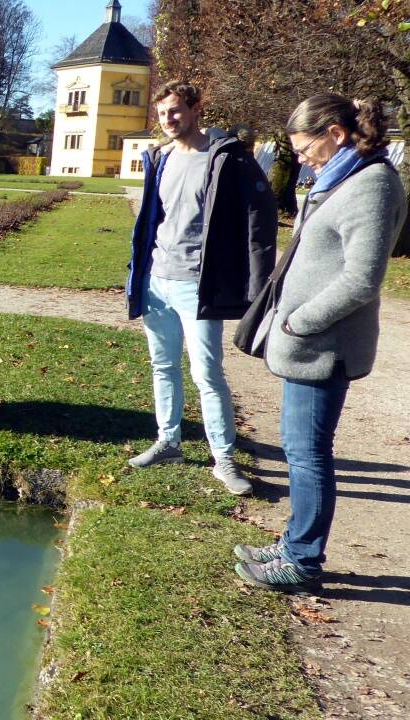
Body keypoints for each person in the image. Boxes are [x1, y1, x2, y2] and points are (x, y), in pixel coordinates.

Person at [233, 93, 406, 593]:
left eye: (306, 148)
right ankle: (293, 542)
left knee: (309, 454)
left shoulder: (371, 184)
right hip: (307, 345)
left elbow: (363, 279)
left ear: (336, 133)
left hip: (323, 345)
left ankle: (303, 561)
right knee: (298, 449)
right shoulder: (341, 179)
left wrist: (299, 323)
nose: (302, 159)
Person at [125, 81, 277, 495]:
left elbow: (259, 218)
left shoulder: (225, 157)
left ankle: (224, 458)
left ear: (196, 109)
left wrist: (258, 282)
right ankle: (168, 441)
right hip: (157, 280)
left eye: (175, 111)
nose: (168, 119)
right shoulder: (160, 156)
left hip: (198, 284)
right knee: (163, 366)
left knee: (207, 372)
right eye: (161, 113)